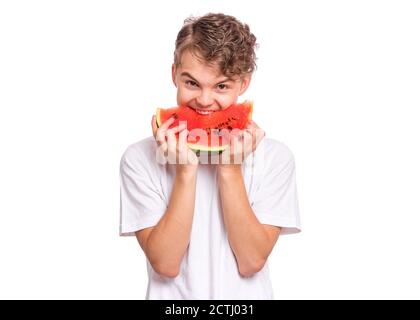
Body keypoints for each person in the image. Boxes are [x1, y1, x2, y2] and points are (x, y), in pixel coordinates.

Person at [119, 13, 301, 299]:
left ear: (243, 84)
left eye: (221, 86)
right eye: (191, 83)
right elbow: (165, 264)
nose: (204, 101)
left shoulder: (275, 158)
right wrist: (185, 171)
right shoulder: (139, 158)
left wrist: (229, 168)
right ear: (174, 74)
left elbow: (252, 261)